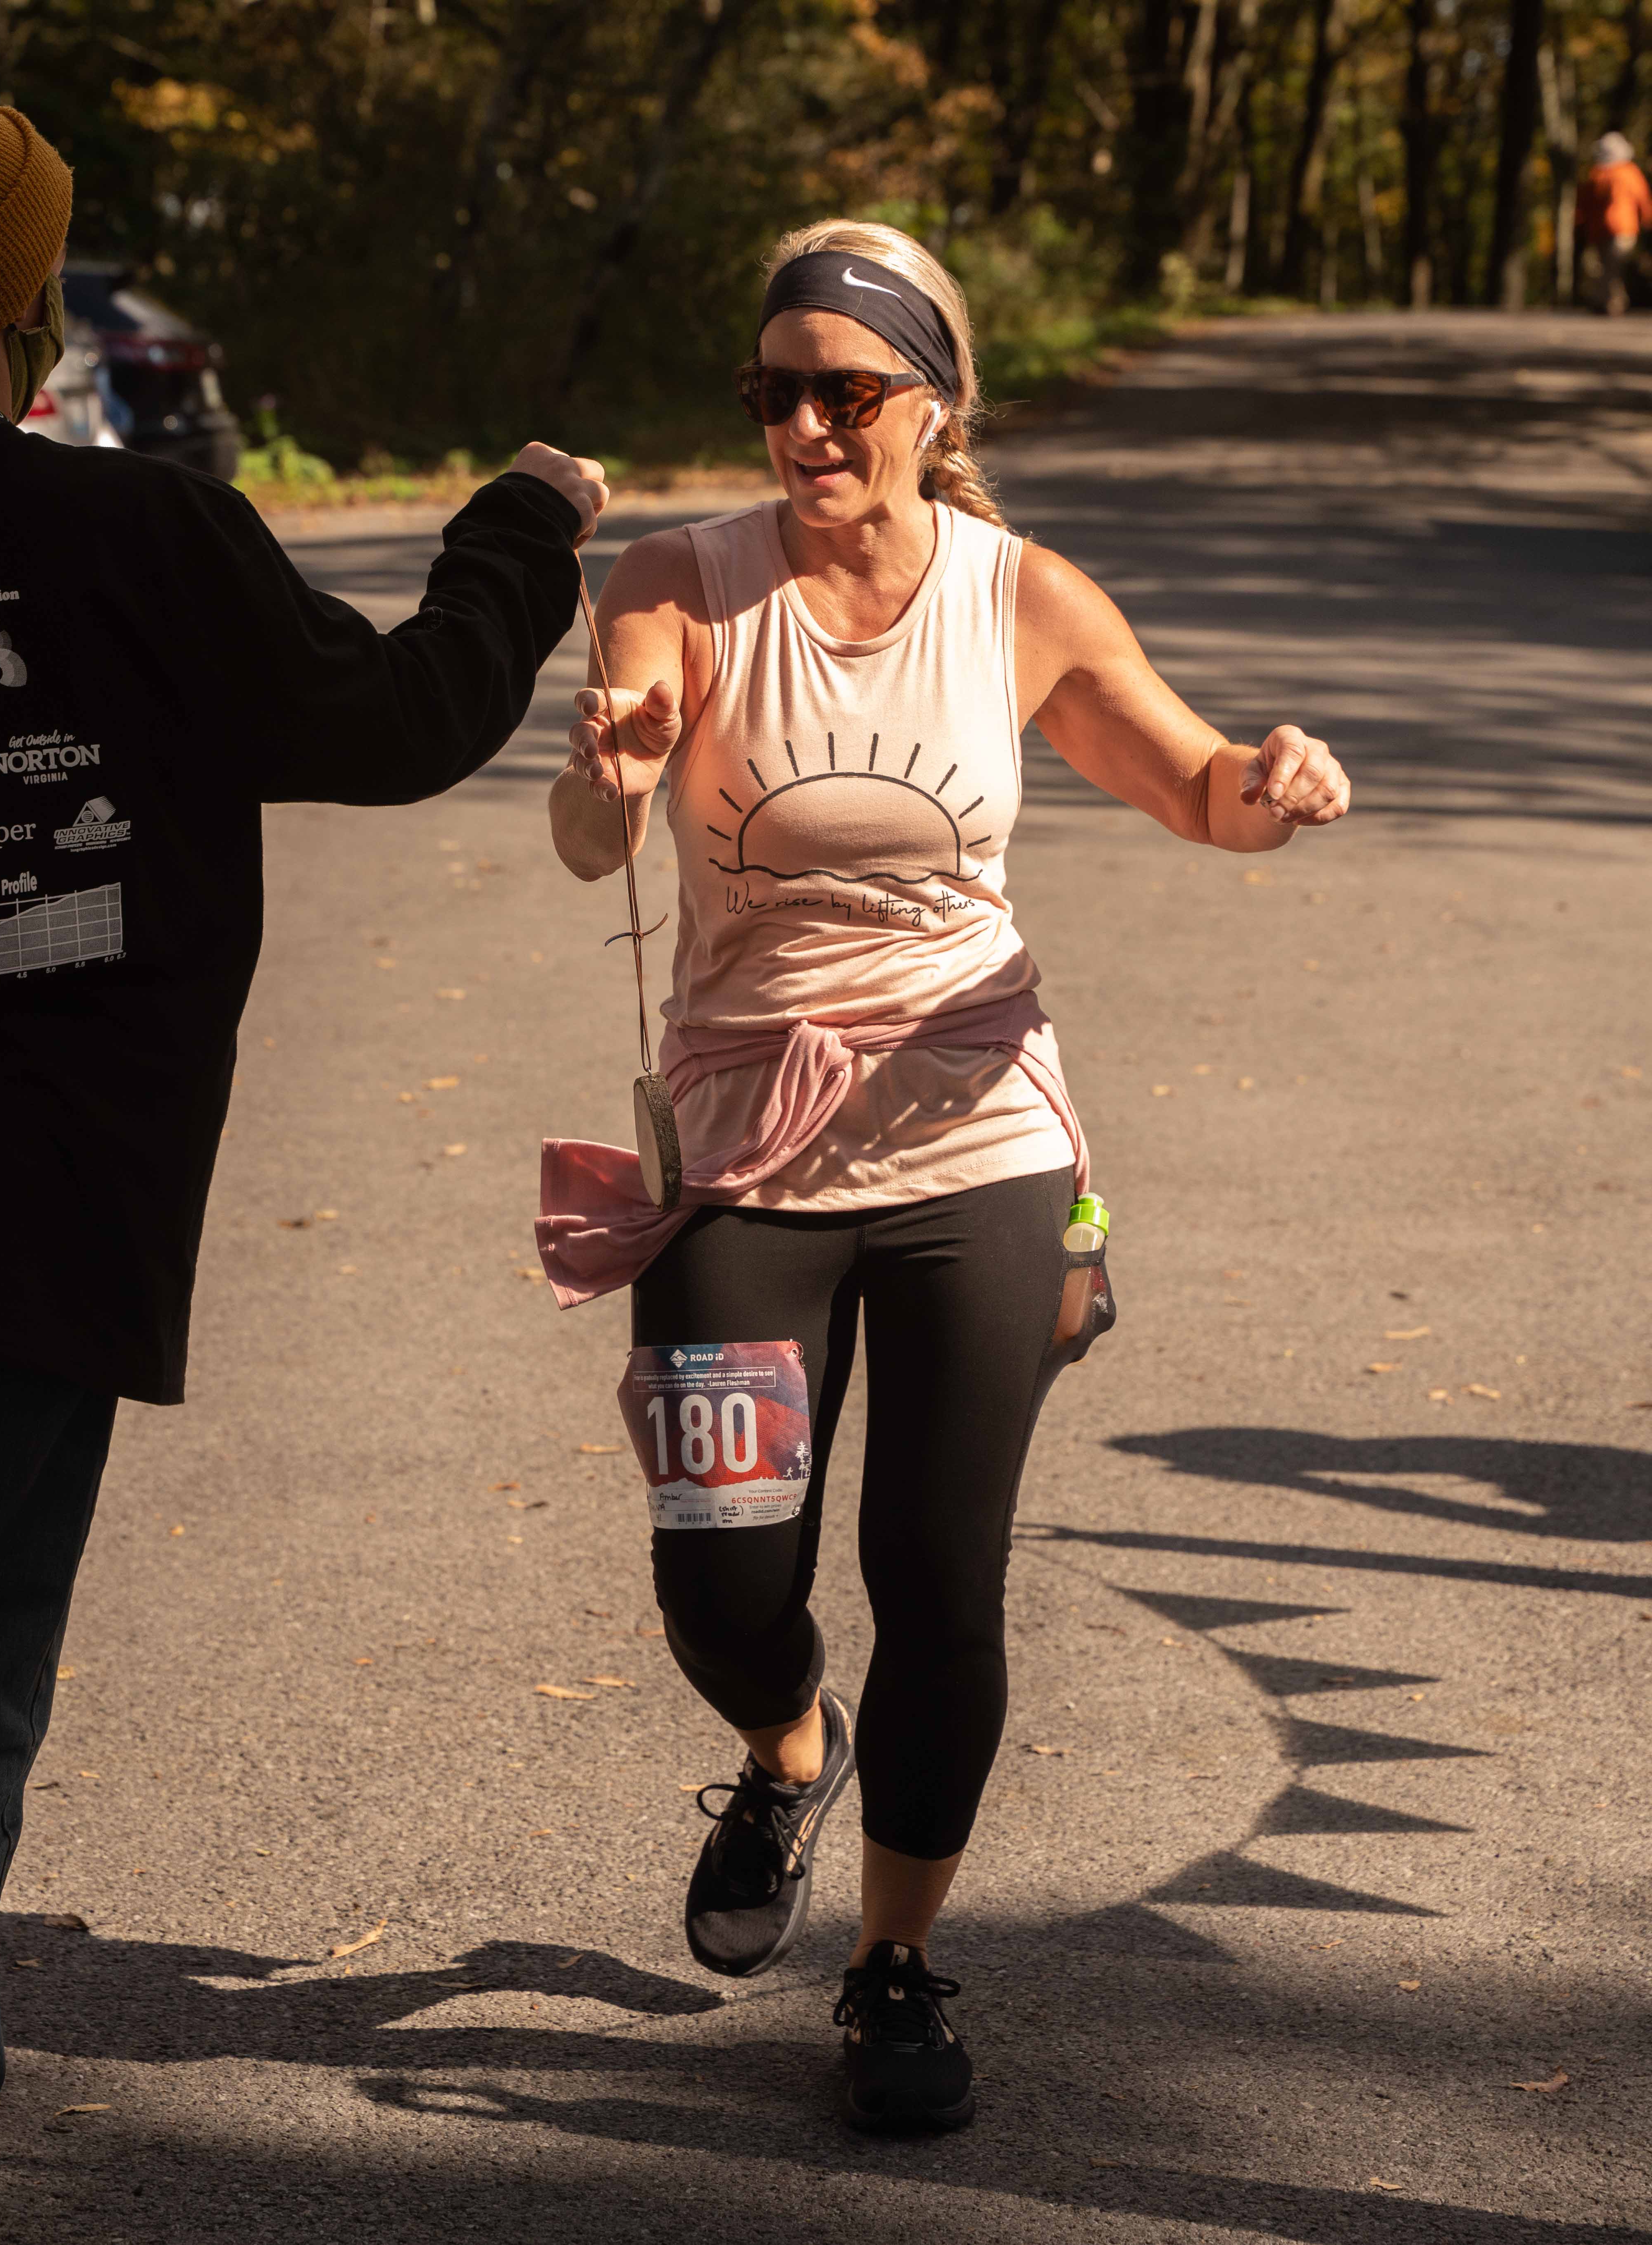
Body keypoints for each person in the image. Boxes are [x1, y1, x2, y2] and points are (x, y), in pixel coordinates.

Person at [0, 85, 607, 2245]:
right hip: (28, 1234)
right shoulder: (141, 537)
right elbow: (395, 724)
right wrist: (522, 531)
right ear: (27, 295)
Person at [538, 219, 1349, 2134]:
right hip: (745, 1146)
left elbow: (1195, 786)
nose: (808, 428)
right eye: (777, 394)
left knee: (939, 1574)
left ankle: (896, 1968)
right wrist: (616, 773)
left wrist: (1275, 786)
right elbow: (590, 838)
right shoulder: (676, 584)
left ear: (935, 404)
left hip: (980, 1139)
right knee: (721, 1563)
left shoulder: (1020, 597)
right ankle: (784, 1745)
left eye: (849, 392)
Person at [1577, 131, 1652, 315]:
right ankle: (1610, 301)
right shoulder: (1623, 173)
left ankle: (1610, 302)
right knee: (1609, 268)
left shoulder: (1603, 174)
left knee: (1609, 268)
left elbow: (1584, 205)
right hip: (1617, 229)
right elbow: (1643, 200)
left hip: (1613, 229)